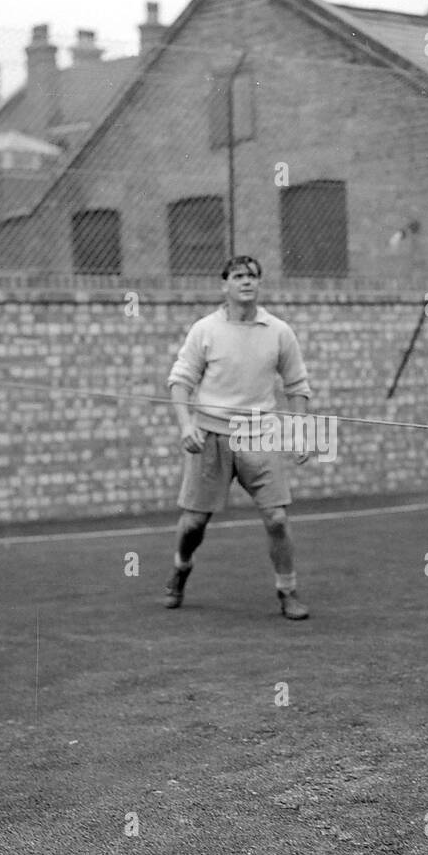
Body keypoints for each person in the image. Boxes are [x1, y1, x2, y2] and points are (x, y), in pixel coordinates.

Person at [164, 255, 314, 619]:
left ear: (259, 284)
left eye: (252, 276)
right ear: (224, 285)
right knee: (194, 524)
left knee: (277, 519)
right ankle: (181, 569)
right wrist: (186, 425)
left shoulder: (279, 331)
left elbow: (297, 386)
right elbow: (180, 382)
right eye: (237, 276)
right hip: (210, 432)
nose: (245, 282)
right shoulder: (205, 330)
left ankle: (287, 591)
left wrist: (301, 432)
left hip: (257, 434)